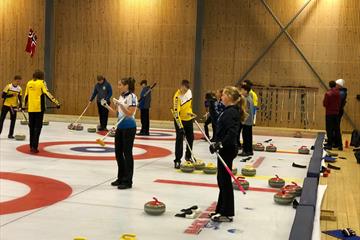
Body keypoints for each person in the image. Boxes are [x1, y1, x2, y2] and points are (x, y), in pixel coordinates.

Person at [208, 86, 247, 222]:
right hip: (225, 148)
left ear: (230, 97)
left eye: (224, 95)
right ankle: (220, 209)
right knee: (222, 179)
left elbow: (232, 133)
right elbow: (219, 126)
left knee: (224, 181)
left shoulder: (231, 112)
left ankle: (227, 212)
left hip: (228, 149)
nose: (221, 97)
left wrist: (221, 144)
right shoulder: (228, 111)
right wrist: (216, 144)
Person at [109, 77, 137, 190]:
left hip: (129, 128)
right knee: (118, 153)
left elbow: (130, 113)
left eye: (120, 84)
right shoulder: (121, 96)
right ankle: (120, 177)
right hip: (120, 128)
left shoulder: (132, 97)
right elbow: (117, 113)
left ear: (126, 86)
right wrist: (107, 106)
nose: (118, 86)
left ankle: (128, 180)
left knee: (127, 153)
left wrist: (121, 105)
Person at [23, 70, 60, 153]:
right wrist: (56, 102)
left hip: (30, 109)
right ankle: (34, 147)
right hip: (39, 109)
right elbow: (47, 93)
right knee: (37, 128)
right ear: (41, 76)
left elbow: (26, 95)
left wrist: (23, 106)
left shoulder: (29, 83)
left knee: (31, 128)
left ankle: (31, 145)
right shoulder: (42, 82)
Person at [173, 79, 194, 169]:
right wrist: (180, 126)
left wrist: (191, 114)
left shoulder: (189, 92)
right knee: (179, 139)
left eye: (186, 90)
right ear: (181, 87)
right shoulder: (177, 97)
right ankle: (177, 160)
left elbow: (189, 106)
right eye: (184, 89)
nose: (185, 91)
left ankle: (188, 156)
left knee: (191, 138)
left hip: (188, 119)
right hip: (179, 120)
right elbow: (176, 113)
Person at [323, 81, 341, 150]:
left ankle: (330, 144)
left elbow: (325, 104)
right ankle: (340, 145)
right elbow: (339, 103)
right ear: (335, 85)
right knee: (337, 129)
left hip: (329, 113)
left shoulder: (328, 94)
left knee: (329, 129)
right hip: (336, 113)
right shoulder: (338, 93)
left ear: (329, 86)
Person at [238, 84, 254, 156]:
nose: (241, 91)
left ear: (246, 91)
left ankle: (246, 151)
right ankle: (250, 150)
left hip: (246, 121)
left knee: (246, 137)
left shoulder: (246, 99)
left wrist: (242, 119)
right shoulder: (250, 97)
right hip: (250, 121)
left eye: (242, 90)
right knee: (249, 136)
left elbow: (246, 111)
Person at [335, 79, 347, 150]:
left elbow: (338, 101)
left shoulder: (342, 93)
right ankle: (336, 143)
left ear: (340, 85)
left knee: (336, 128)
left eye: (337, 85)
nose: (335, 86)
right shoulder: (340, 92)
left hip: (338, 111)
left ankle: (339, 144)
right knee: (335, 127)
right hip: (337, 111)